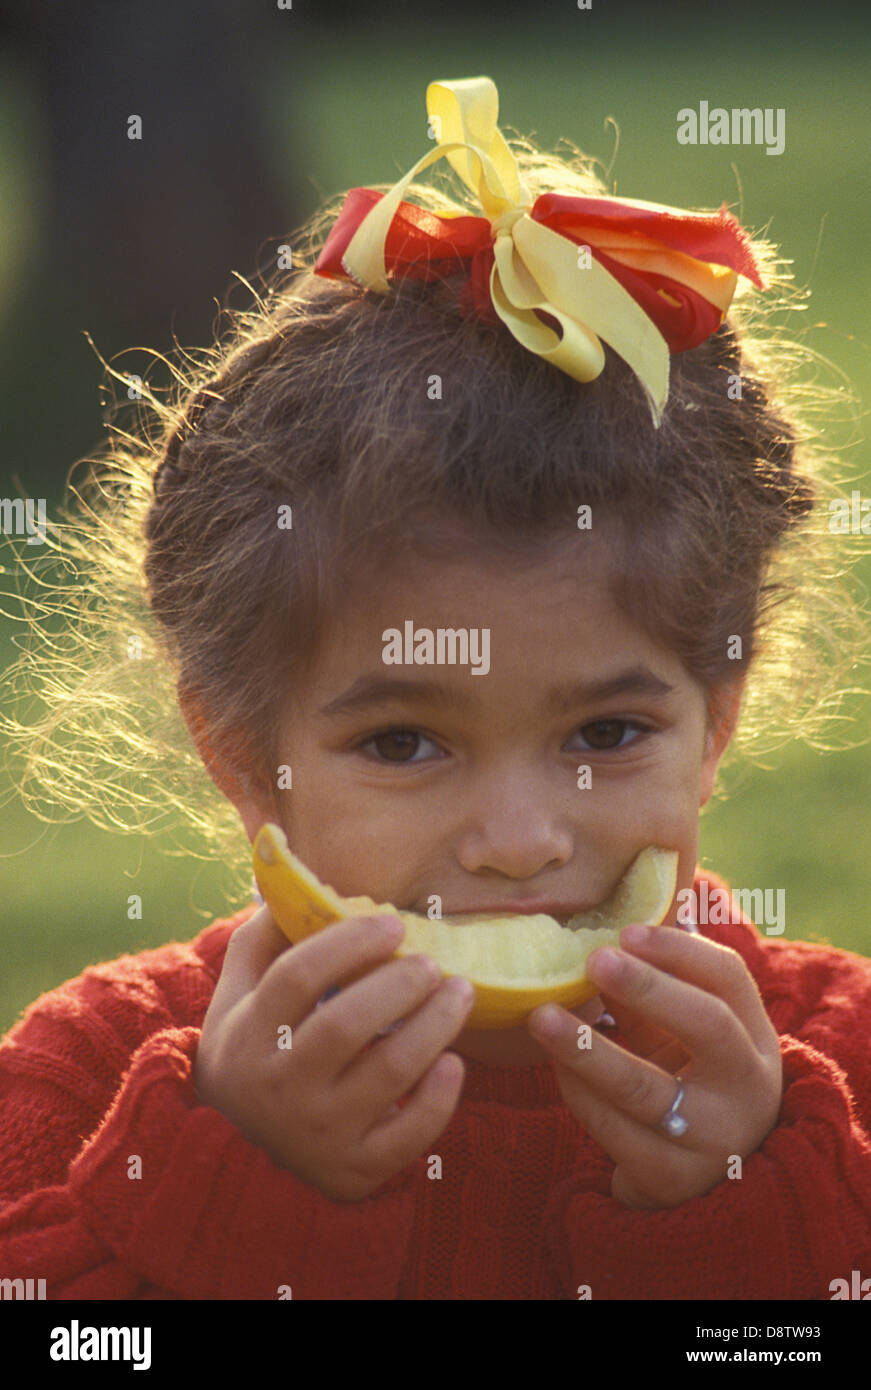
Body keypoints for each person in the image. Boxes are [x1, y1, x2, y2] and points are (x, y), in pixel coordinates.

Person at [2, 76, 870, 1300]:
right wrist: (237, 1188)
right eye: (406, 742)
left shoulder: (835, 1070)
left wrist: (747, 1218)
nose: (520, 844)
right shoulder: (87, 1080)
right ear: (245, 752)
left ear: (716, 718)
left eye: (607, 730)